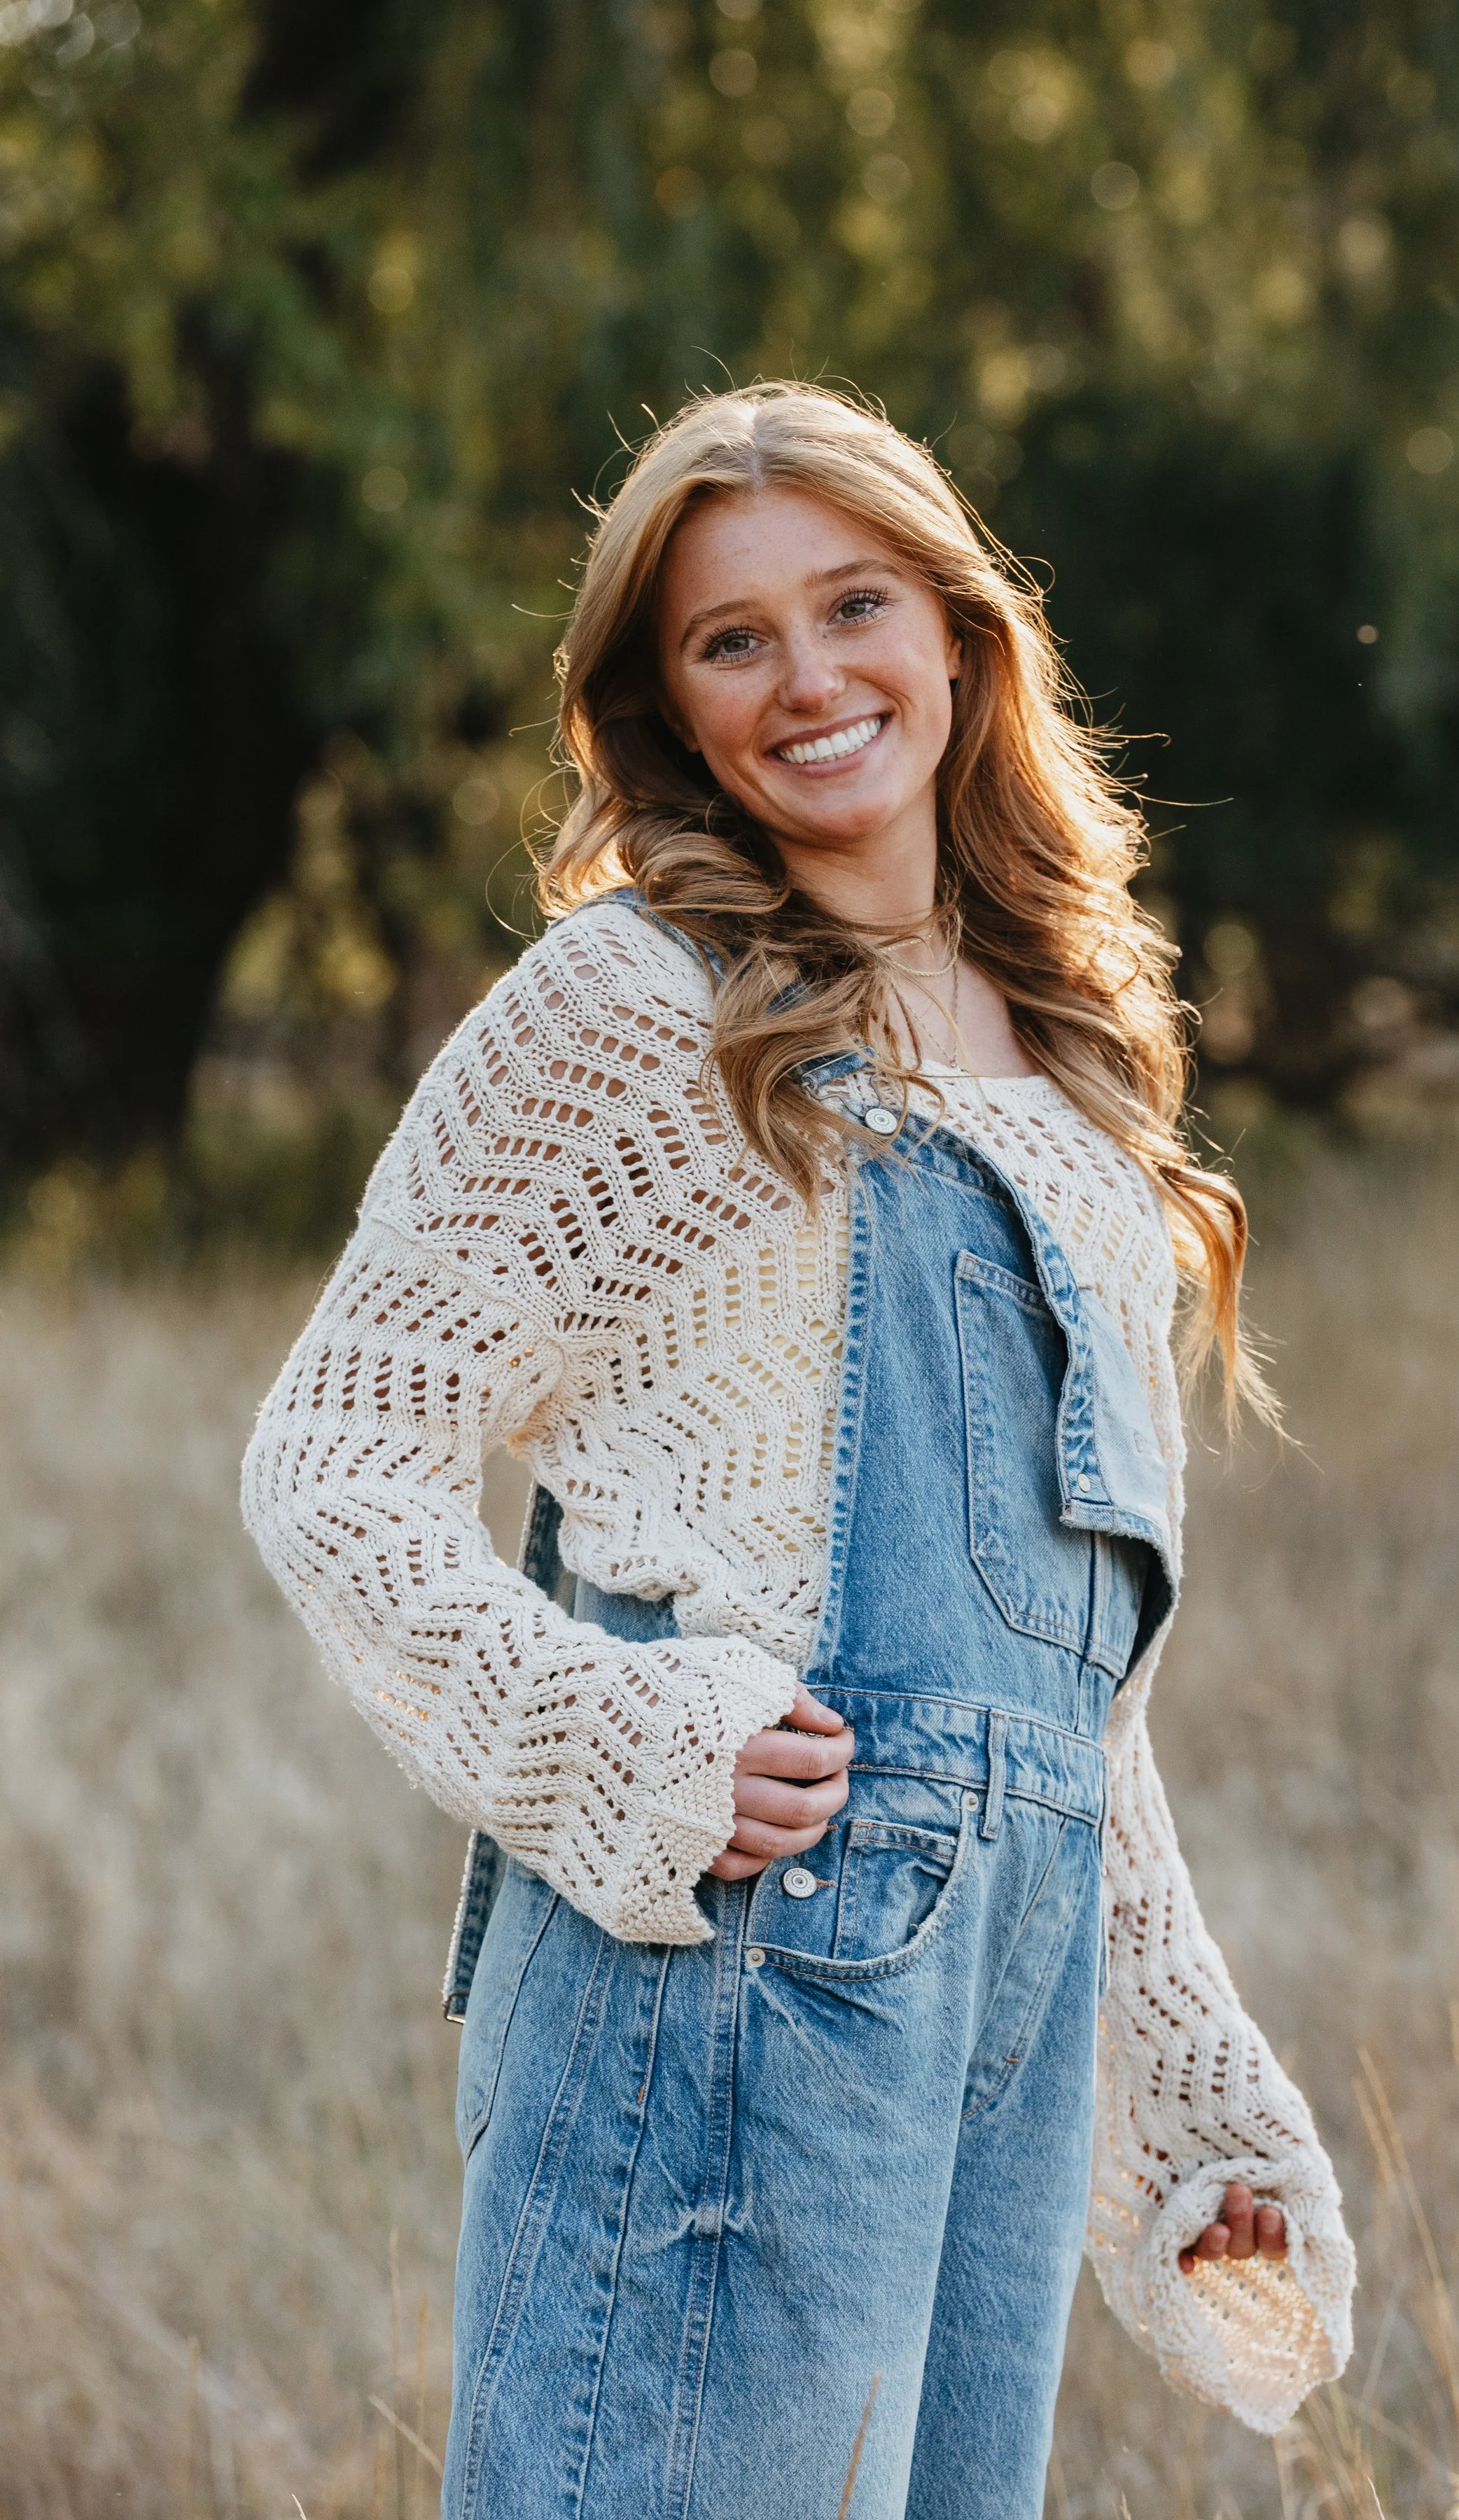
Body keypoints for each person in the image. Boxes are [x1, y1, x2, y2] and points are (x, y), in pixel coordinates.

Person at [242, 383, 1354, 2520]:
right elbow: (338, 1453)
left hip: (1003, 2037)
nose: (809, 679)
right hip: (724, 1985)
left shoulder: (1076, 1088)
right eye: (730, 639)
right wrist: (602, 1734)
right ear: (664, 702)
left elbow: (1065, 1712)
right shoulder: (631, 1010)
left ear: (958, 634)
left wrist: (1182, 2087)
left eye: (854, 606)